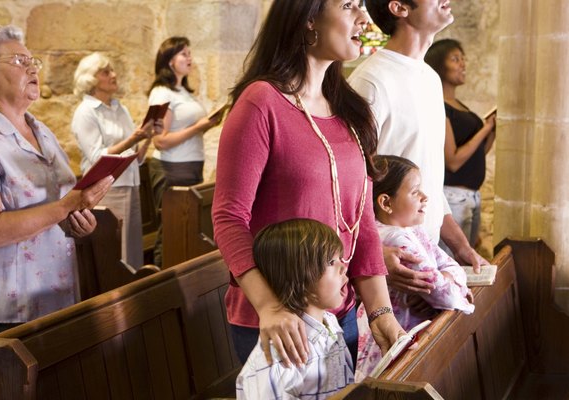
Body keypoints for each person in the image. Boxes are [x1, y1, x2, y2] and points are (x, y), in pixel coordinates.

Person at [212, 0, 406, 370]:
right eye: (349, 5)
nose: (364, 18)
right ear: (309, 18)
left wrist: (381, 312)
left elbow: (362, 224)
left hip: (340, 312)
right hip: (279, 320)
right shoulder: (262, 103)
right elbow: (228, 217)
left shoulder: (351, 111)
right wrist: (270, 306)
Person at [0, 25, 112, 336]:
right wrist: (66, 207)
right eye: (19, 61)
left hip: (55, 291)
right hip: (7, 305)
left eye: (32, 61)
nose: (33, 68)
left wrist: (78, 222)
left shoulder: (42, 132)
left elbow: (55, 208)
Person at [347, 0, 487, 296]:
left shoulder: (430, 79)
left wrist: (460, 247)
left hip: (427, 250)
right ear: (399, 8)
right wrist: (373, 257)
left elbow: (432, 183)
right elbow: (349, 186)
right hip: (390, 261)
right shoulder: (371, 81)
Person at [355, 155, 474, 380]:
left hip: (411, 333)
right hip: (394, 335)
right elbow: (445, 294)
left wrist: (449, 274)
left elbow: (450, 265)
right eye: (415, 192)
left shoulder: (412, 230)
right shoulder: (396, 240)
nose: (425, 197)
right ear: (386, 203)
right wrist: (452, 279)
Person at [236, 219, 354, 399]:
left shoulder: (329, 322)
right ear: (297, 279)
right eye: (331, 262)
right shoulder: (280, 353)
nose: (343, 267)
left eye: (340, 258)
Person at [71, 52, 160, 269]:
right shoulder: (85, 112)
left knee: (132, 249)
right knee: (113, 251)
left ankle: (134, 294)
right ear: (91, 80)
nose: (113, 75)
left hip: (131, 183)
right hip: (106, 189)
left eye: (112, 70)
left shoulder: (121, 108)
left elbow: (136, 158)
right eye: (106, 72)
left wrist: (147, 137)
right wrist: (133, 138)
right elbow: (97, 156)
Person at [147, 36, 218, 266]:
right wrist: (199, 127)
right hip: (170, 169)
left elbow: (187, 133)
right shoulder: (161, 93)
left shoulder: (185, 93)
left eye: (190, 53)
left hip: (191, 167)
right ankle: (159, 284)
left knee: (187, 230)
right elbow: (160, 141)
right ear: (169, 61)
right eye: (184, 54)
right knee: (170, 231)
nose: (190, 58)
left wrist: (207, 125)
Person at [424, 39, 496, 249]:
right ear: (439, 65)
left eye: (463, 59)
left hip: (472, 196)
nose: (463, 64)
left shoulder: (460, 106)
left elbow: (477, 154)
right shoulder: (439, 106)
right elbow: (454, 161)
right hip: (453, 197)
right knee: (454, 263)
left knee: (467, 264)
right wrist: (484, 128)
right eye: (456, 59)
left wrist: (492, 131)